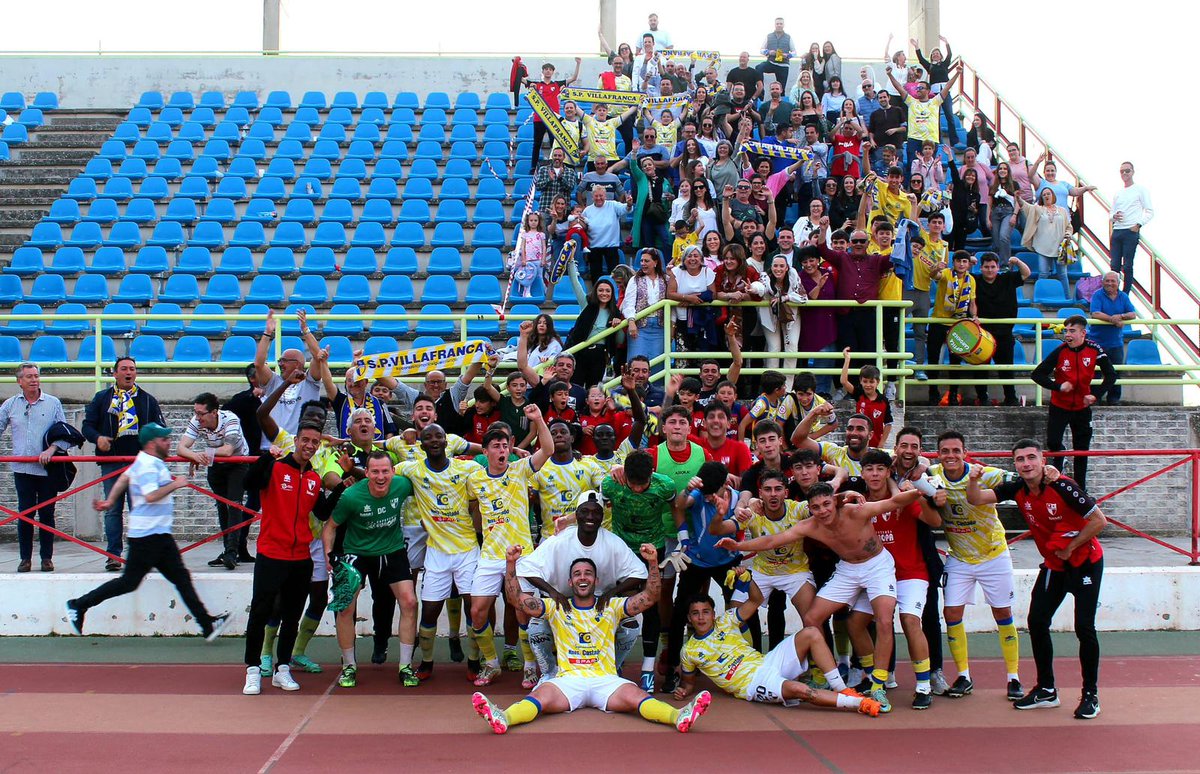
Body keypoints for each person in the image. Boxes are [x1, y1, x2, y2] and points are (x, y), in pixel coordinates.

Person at [719, 482, 924, 713]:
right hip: (848, 569)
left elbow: (894, 502)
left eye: (827, 504)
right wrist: (739, 545)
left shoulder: (856, 511)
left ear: (835, 502)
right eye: (816, 507)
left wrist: (919, 491)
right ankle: (834, 679)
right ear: (810, 509)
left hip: (877, 566)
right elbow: (772, 540)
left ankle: (878, 685)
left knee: (885, 621)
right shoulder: (810, 525)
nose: (823, 511)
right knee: (812, 618)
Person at [473, 543, 712, 735]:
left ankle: (678, 716)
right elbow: (516, 600)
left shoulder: (612, 606)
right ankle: (503, 717)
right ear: (570, 582)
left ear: (596, 580)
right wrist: (510, 564)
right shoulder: (556, 607)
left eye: (588, 573)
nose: (582, 577)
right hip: (568, 681)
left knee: (638, 695)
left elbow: (650, 597)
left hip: (605, 680)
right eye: (577, 574)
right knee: (539, 697)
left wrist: (651, 563)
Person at [968, 438, 1108, 720]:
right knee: (1037, 621)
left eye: (1031, 457)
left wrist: (1071, 547)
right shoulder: (1017, 487)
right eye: (1020, 459)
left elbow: (1099, 521)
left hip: (1086, 564)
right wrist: (973, 479)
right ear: (1015, 464)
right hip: (1055, 565)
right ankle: (1046, 689)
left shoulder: (1063, 486)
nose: (1026, 464)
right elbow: (976, 499)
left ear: (1043, 461)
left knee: (1084, 628)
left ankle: (1090, 695)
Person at [65, 424, 231, 642]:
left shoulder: (145, 461)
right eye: (165, 440)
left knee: (181, 578)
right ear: (153, 443)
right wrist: (176, 484)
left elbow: (124, 478)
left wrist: (110, 501)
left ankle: (207, 625)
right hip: (147, 537)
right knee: (129, 583)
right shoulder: (148, 466)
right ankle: (78, 605)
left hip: (158, 535)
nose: (169, 442)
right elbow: (151, 496)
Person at [675, 572, 880, 716]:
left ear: (713, 613)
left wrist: (747, 579)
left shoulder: (727, 620)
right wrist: (684, 690)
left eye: (706, 612)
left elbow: (756, 600)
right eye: (695, 613)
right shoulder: (689, 651)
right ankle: (859, 703)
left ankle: (842, 689)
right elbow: (689, 682)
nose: (701, 617)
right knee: (802, 691)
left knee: (810, 633)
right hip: (753, 685)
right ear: (688, 619)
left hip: (768, 662)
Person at [241, 418, 339, 695]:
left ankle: (282, 668)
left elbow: (321, 513)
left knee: (292, 614)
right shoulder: (274, 467)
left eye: (314, 442)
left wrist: (343, 487)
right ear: (295, 441)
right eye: (305, 440)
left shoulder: (313, 478)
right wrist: (263, 459)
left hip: (301, 556)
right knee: (261, 611)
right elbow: (249, 484)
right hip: (271, 553)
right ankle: (252, 670)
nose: (309, 445)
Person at [924, 430, 1023, 701]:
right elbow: (910, 467)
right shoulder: (932, 475)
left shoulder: (985, 473)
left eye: (956, 451)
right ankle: (963, 675)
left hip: (993, 554)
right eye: (945, 451)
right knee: (951, 613)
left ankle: (1013, 678)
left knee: (1002, 613)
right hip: (959, 557)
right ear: (939, 455)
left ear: (965, 453)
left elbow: (1018, 477)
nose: (951, 456)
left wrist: (1049, 470)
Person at [518, 490, 648, 688]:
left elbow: (640, 573)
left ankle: (612, 667)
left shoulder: (612, 542)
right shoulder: (560, 540)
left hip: (599, 606)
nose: (590, 517)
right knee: (536, 627)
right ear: (576, 514)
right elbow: (526, 568)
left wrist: (611, 593)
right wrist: (553, 592)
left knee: (630, 628)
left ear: (602, 516)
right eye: (584, 511)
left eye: (596, 512)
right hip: (563, 605)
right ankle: (549, 673)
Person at [465, 405, 554, 687]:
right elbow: (472, 508)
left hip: (522, 554)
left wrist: (538, 419)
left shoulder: (519, 470)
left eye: (505, 445)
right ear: (486, 451)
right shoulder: (475, 479)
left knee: (522, 608)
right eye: (496, 446)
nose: (502, 449)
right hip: (490, 555)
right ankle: (491, 664)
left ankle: (530, 665)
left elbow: (548, 450)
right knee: (477, 611)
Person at [397, 423, 489, 682]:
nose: (435, 440)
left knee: (474, 610)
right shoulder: (412, 470)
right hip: (436, 553)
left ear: (446, 442)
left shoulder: (468, 469)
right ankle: (426, 663)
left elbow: (492, 483)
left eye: (439, 435)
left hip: (467, 550)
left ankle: (474, 660)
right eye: (429, 437)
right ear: (422, 444)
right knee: (429, 612)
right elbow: (380, 475)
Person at [322, 451, 419, 688]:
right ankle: (349, 667)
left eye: (385, 471)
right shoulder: (351, 496)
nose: (380, 476)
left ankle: (406, 667)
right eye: (375, 471)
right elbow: (330, 527)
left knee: (409, 602)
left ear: (393, 472)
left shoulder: (402, 485)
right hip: (357, 553)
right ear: (366, 473)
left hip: (392, 550)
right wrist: (328, 556)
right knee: (345, 608)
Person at [861, 450, 942, 709]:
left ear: (888, 472)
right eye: (869, 469)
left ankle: (923, 686)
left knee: (910, 621)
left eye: (879, 469)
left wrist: (917, 498)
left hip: (910, 574)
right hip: (876, 576)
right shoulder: (858, 501)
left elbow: (935, 520)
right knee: (855, 621)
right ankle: (872, 677)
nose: (874, 474)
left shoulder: (902, 497)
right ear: (862, 473)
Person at [82, 356, 166, 571]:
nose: (129, 372)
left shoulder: (148, 400)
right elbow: (87, 426)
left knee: (140, 509)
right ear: (115, 373)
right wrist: (98, 438)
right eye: (124, 369)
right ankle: (113, 555)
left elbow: (160, 429)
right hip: (111, 463)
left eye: (132, 369)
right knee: (113, 511)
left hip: (141, 465)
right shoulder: (102, 398)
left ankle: (141, 555)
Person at [1030, 315, 1118, 490]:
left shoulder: (1095, 349)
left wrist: (1095, 395)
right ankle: (1055, 479)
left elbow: (1111, 375)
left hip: (1082, 408)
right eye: (1066, 331)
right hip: (1059, 406)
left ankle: (1080, 488)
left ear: (1083, 333)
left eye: (1072, 331)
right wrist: (1058, 386)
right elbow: (1037, 374)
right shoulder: (1060, 351)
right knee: (1054, 443)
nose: (1067, 335)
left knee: (1081, 450)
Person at [0, 363, 70, 573]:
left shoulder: (53, 403)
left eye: (36, 376)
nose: (34, 380)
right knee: (25, 514)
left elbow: (65, 433)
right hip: (23, 470)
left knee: (47, 514)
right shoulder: (10, 405)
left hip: (47, 469)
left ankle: (46, 558)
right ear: (19, 381)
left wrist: (52, 449)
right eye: (29, 376)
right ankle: (25, 559)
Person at [177, 392, 251, 571]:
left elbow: (228, 450)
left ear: (214, 412)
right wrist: (195, 455)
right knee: (221, 506)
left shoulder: (230, 419)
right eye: (196, 413)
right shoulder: (197, 421)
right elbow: (181, 447)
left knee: (234, 504)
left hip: (237, 463)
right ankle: (228, 549)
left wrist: (202, 454)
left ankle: (232, 552)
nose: (197, 417)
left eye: (201, 413)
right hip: (216, 464)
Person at [253, 309, 326, 436]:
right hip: (274, 447)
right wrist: (267, 333)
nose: (280, 364)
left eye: (284, 361)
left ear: (297, 364)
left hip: (301, 445)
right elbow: (258, 364)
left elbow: (318, 356)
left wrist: (305, 329)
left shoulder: (310, 382)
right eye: (279, 361)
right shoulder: (273, 381)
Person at [975, 252, 1032, 406]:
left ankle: (1010, 398)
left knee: (1006, 367)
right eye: (986, 267)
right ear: (981, 268)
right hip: (981, 333)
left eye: (993, 267)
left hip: (1004, 332)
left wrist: (1018, 261)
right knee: (981, 368)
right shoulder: (974, 280)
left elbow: (1026, 273)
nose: (989, 270)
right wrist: (970, 262)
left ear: (998, 267)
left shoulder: (1007, 278)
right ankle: (982, 398)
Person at [926, 249, 978, 406]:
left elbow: (972, 302)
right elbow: (934, 275)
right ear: (953, 262)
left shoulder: (971, 280)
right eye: (958, 261)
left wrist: (974, 316)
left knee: (955, 361)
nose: (961, 264)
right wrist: (936, 267)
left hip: (958, 324)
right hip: (938, 322)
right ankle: (932, 392)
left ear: (968, 264)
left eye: (964, 261)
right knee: (933, 359)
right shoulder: (946, 273)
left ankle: (953, 394)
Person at [885, 62, 960, 164]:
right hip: (914, 140)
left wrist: (957, 74)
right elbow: (899, 88)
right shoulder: (911, 102)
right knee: (913, 169)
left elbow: (947, 86)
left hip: (931, 140)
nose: (918, 90)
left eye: (921, 88)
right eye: (917, 88)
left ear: (928, 90)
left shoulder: (935, 101)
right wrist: (890, 75)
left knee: (929, 169)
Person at [1088, 272, 1137, 404]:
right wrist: (1112, 319)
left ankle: (1114, 399)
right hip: (1097, 342)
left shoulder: (1123, 296)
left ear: (1118, 283)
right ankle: (1095, 399)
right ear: (1102, 282)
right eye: (1107, 281)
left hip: (1116, 343)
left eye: (1113, 281)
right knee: (1095, 373)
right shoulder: (1098, 295)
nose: (1110, 283)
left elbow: (1133, 314)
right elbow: (1095, 313)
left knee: (1116, 372)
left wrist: (1120, 316)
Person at [523, 58, 582, 167]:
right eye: (546, 69)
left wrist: (578, 64)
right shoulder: (536, 84)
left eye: (550, 69)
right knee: (537, 144)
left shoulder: (557, 84)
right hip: (539, 118)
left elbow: (573, 78)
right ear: (543, 71)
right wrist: (518, 66)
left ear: (553, 71)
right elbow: (521, 80)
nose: (548, 71)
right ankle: (533, 167)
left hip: (553, 120)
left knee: (555, 144)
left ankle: (555, 166)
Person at [621, 248, 670, 374]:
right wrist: (631, 321)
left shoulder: (666, 279)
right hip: (639, 328)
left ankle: (656, 393)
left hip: (661, 328)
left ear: (655, 262)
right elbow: (628, 304)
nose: (643, 263)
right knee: (635, 363)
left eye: (646, 261)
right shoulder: (635, 280)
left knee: (657, 365)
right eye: (641, 261)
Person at [1109, 161, 1153, 293]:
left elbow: (1150, 211)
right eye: (1122, 171)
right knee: (1114, 265)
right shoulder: (1118, 193)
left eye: (1127, 171)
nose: (1124, 173)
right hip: (1117, 231)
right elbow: (1111, 213)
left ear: (1133, 172)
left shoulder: (1140, 189)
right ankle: (1113, 293)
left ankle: (1125, 294)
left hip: (1130, 231)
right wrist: (1114, 217)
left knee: (1127, 266)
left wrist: (1138, 224)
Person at [580, 184, 634, 280]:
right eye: (596, 196)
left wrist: (629, 204)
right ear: (592, 197)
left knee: (614, 276)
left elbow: (625, 209)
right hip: (594, 247)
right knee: (595, 276)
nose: (599, 198)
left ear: (605, 196)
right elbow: (583, 226)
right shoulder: (587, 210)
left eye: (601, 196)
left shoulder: (613, 205)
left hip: (611, 246)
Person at [838, 354, 892, 447]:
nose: (868, 385)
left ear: (878, 382)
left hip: (875, 445)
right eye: (865, 381)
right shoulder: (859, 394)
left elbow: (889, 423)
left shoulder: (884, 400)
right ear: (860, 381)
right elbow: (844, 381)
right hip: (857, 445)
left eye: (871, 382)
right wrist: (847, 359)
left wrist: (882, 443)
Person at [756, 18, 796, 87]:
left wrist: (787, 55)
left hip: (783, 65)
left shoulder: (788, 37)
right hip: (771, 62)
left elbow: (794, 52)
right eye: (777, 24)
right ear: (775, 25)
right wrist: (768, 52)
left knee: (782, 88)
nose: (779, 25)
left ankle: (781, 96)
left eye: (781, 24)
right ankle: (761, 89)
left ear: (783, 25)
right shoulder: (769, 36)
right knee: (759, 67)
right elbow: (761, 50)